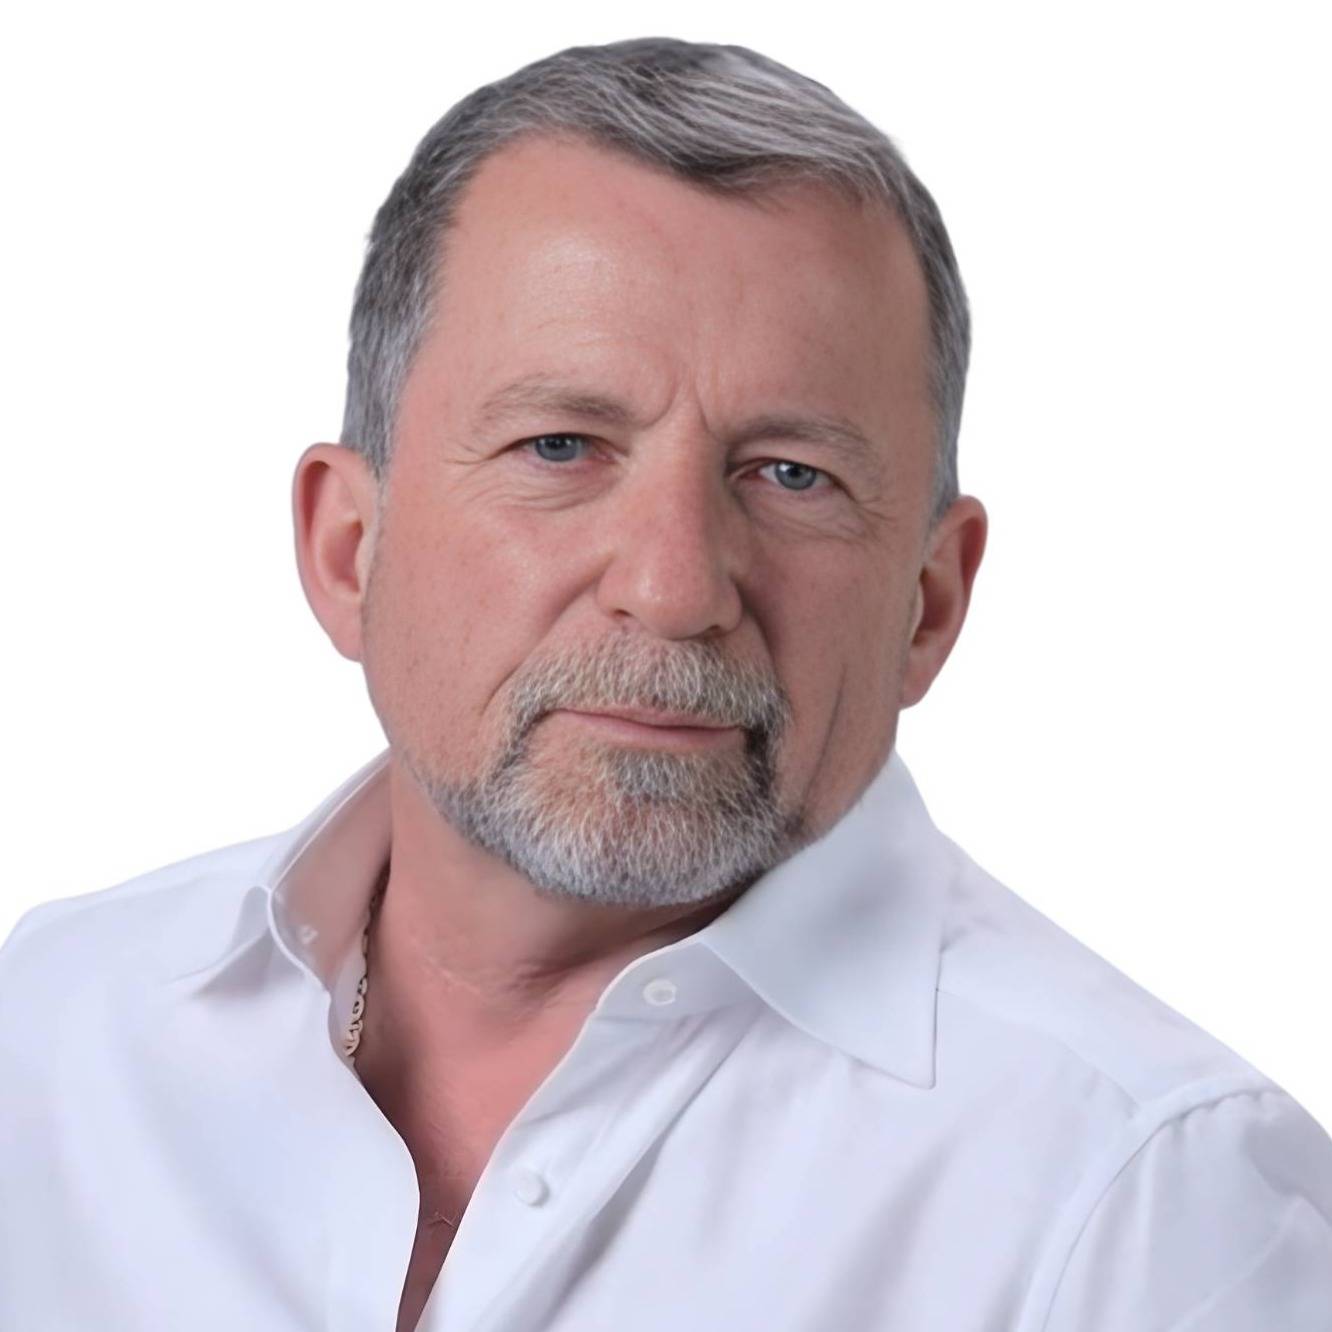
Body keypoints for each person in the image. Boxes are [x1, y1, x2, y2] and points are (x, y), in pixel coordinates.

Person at [2, 35, 1329, 1332]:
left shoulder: (1153, 1208)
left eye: (792, 475)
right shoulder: (54, 1034)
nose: (675, 585)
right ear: (348, 549)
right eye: (560, 446)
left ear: (930, 603)